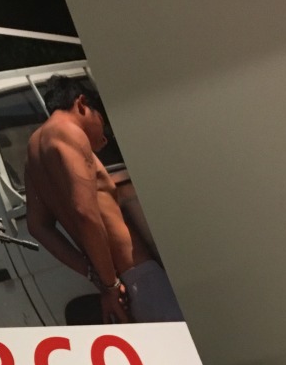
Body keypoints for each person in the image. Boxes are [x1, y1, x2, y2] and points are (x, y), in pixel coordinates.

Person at [24, 76, 184, 324]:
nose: (105, 138)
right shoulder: (69, 132)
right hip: (139, 279)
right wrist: (110, 284)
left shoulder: (32, 153)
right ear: (82, 104)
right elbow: (85, 212)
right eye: (103, 122)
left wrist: (93, 273)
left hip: (118, 286)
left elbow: (37, 226)